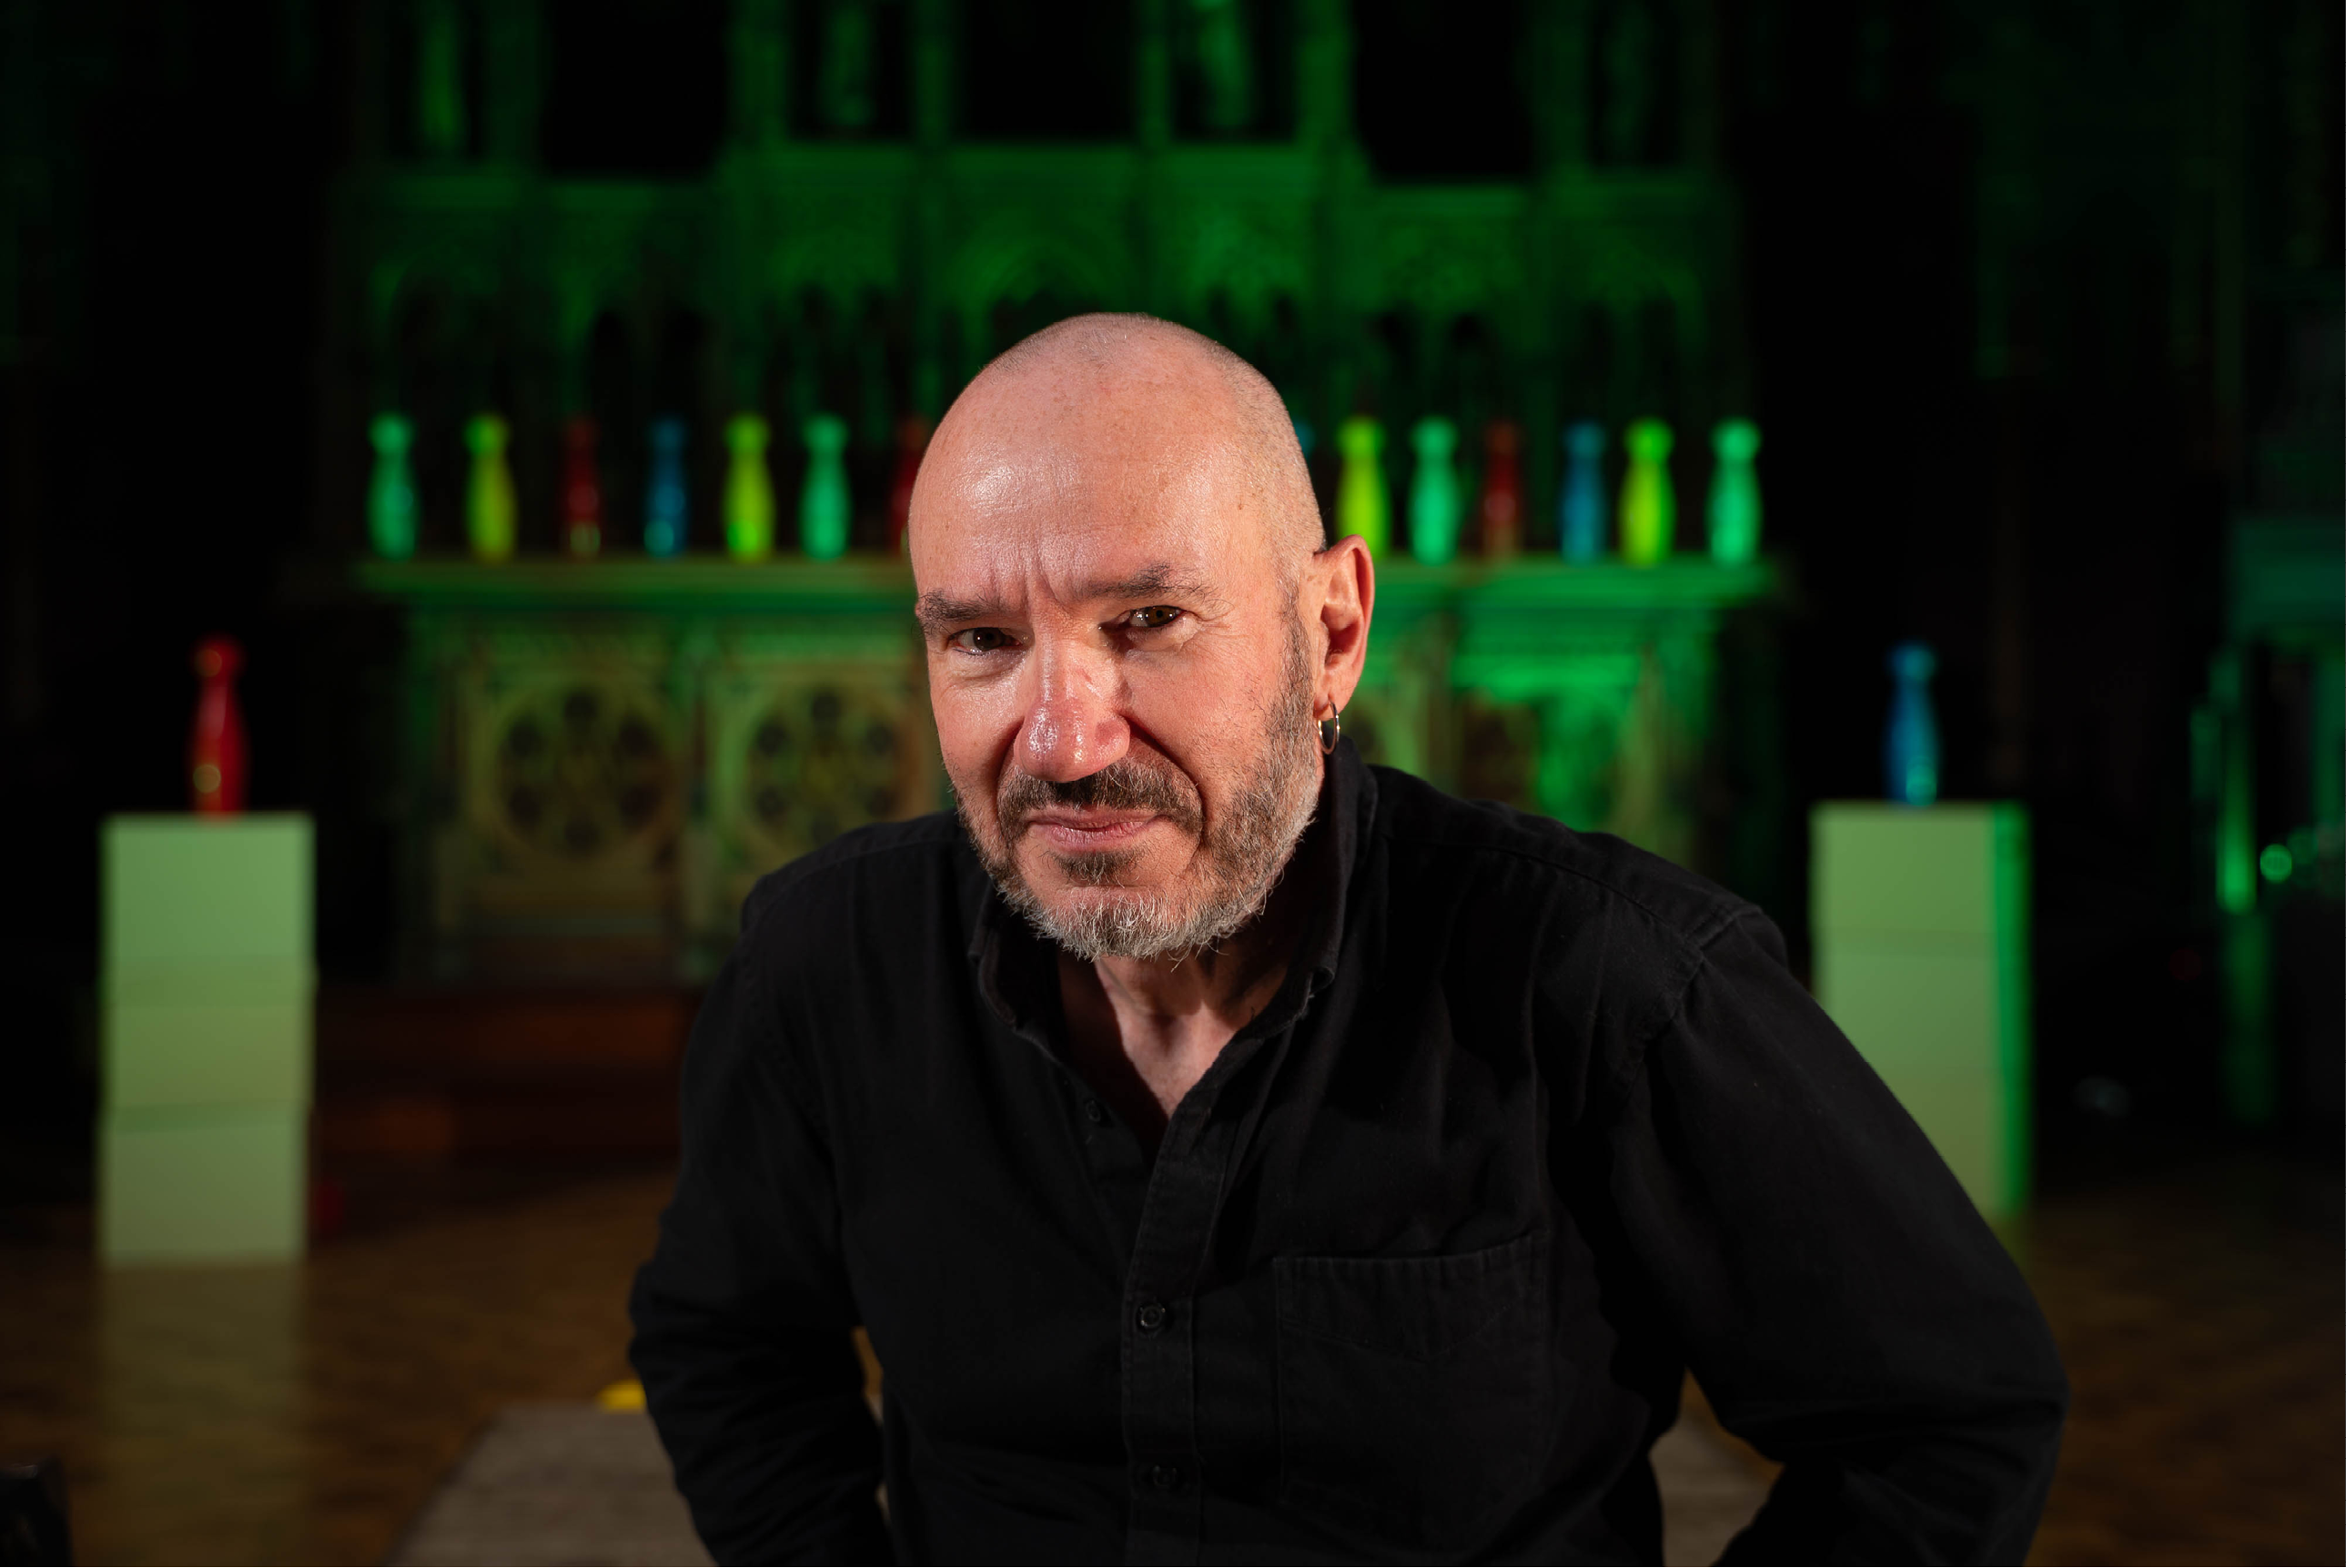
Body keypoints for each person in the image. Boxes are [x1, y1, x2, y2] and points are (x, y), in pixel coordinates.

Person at [629, 315, 2068, 1564]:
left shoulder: (1609, 979)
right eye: (982, 641)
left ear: (1331, 630)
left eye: (1147, 620)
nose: (1062, 740)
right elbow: (726, 1340)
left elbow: (1944, 1416)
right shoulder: (827, 962)